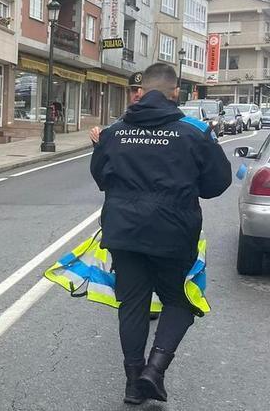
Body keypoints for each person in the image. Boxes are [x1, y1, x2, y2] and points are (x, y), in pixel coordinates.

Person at [90, 63, 231, 405]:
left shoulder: (115, 131)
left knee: (132, 305)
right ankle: (154, 371)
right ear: (175, 92)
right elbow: (217, 182)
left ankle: (132, 382)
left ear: (142, 91)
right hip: (173, 233)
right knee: (180, 300)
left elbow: (101, 177)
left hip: (124, 232)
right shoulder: (195, 131)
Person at [90, 72, 144, 144]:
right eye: (134, 90)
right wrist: (98, 135)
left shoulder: (158, 120)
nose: (137, 94)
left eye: (142, 90)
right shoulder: (124, 118)